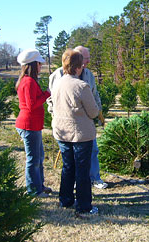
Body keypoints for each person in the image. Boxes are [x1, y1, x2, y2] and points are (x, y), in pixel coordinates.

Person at [48, 46, 108, 189]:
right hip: (67, 127)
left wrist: (99, 114)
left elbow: (94, 95)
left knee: (93, 151)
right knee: (73, 163)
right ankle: (81, 197)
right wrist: (56, 115)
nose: (86, 63)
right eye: (84, 59)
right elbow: (51, 99)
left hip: (84, 126)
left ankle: (94, 178)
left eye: (87, 59)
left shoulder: (88, 75)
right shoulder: (57, 75)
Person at [51, 49, 99, 215]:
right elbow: (93, 112)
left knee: (68, 167)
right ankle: (84, 206)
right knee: (82, 171)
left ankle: (65, 200)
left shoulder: (56, 83)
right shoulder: (81, 86)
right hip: (80, 135)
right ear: (79, 67)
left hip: (61, 132)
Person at [15, 48, 52, 198]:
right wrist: (47, 93)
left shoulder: (27, 81)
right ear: (33, 64)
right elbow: (32, 105)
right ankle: (33, 190)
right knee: (33, 159)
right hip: (28, 125)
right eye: (39, 63)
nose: (41, 66)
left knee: (39, 157)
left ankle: (39, 185)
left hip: (32, 125)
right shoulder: (29, 82)